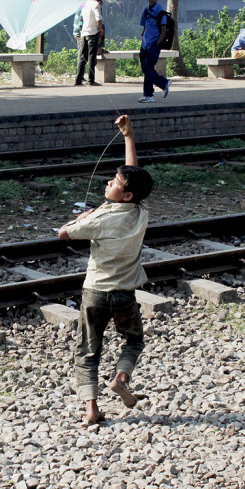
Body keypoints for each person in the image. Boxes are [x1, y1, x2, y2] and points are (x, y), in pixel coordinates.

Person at [58, 114, 153, 427]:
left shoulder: (99, 219)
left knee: (88, 350)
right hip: (124, 294)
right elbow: (132, 175)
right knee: (133, 341)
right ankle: (121, 377)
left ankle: (91, 409)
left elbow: (63, 233)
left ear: (124, 195)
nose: (109, 181)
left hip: (95, 294)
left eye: (115, 182)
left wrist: (80, 218)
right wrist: (128, 137)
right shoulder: (140, 211)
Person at [138, 0, 171, 103]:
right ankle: (164, 83)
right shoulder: (146, 11)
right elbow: (145, 27)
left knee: (148, 68)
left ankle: (148, 94)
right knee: (145, 69)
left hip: (154, 45)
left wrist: (157, 44)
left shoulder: (161, 12)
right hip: (145, 45)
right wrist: (143, 42)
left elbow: (163, 30)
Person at [75, 0, 104, 86]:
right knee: (92, 56)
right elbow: (98, 18)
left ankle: (78, 79)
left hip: (84, 33)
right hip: (93, 33)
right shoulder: (95, 4)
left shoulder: (84, 3)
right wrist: (100, 29)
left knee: (82, 57)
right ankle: (91, 80)